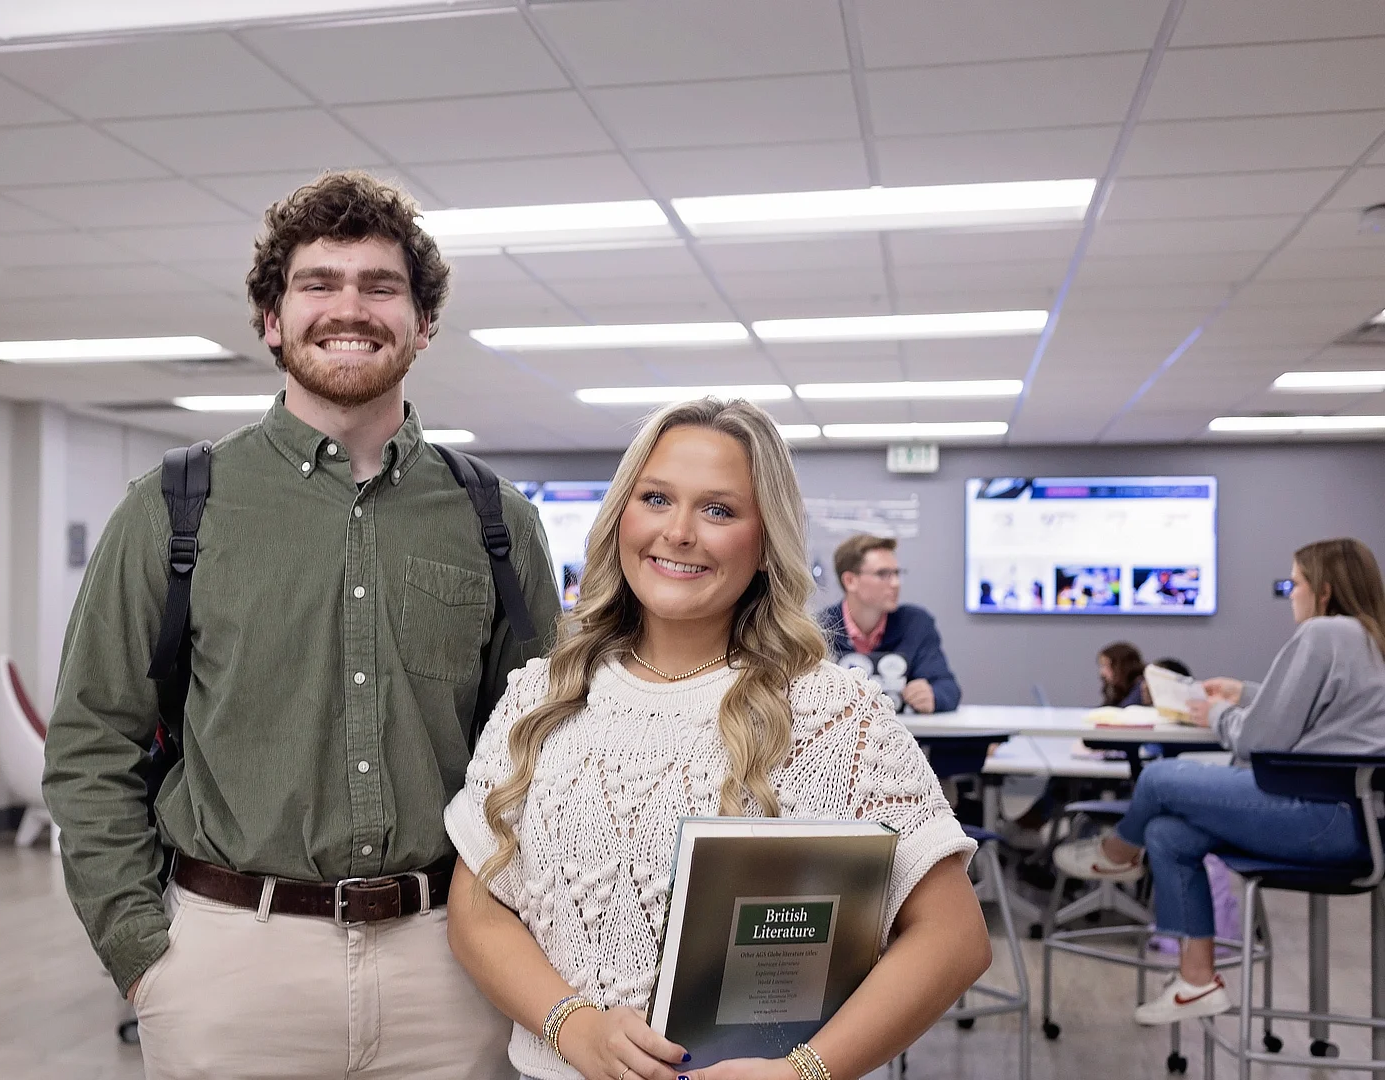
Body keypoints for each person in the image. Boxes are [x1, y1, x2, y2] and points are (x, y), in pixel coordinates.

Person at [43, 170, 562, 1080]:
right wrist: (142, 955)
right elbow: (92, 739)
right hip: (229, 965)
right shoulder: (174, 507)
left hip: (450, 961)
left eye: (381, 285)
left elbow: (541, 750)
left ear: (423, 325)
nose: (348, 307)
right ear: (273, 318)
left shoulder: (496, 520)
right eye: (318, 283)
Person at [444, 398, 990, 1080]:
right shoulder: (542, 694)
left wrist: (804, 1073)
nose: (679, 532)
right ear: (621, 517)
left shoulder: (830, 710)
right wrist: (573, 1027)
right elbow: (477, 908)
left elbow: (954, 937)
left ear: (765, 542)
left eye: (719, 510)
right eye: (655, 498)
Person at [1055, 537, 1385, 1025]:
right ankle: (1196, 981)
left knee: (1161, 779)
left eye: (1295, 583)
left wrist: (1217, 713)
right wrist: (1245, 692)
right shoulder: (1368, 637)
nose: (1289, 594)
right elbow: (1320, 714)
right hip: (1361, 829)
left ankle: (1117, 855)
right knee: (1169, 833)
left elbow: (1256, 741)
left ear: (1325, 590)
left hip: (1317, 817)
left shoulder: (1323, 634)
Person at [817, 534, 962, 712]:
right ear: (850, 581)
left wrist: (933, 695)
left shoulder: (915, 624)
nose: (895, 583)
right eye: (883, 574)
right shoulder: (820, 629)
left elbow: (947, 687)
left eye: (896, 573)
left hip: (903, 735)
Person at [1097, 641, 1146, 707]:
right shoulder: (1119, 689)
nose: (1102, 673)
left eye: (1106, 666)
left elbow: (1123, 711)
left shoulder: (1141, 688)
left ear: (1122, 667)